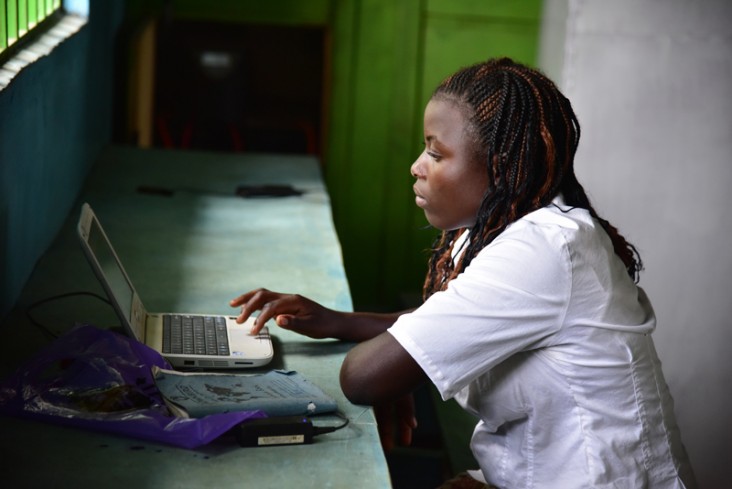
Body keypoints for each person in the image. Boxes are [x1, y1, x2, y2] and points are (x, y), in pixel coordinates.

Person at [230, 58, 696, 489]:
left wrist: (400, 366)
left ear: (499, 166)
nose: (416, 167)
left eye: (436, 153)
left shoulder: (544, 249)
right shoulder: (502, 225)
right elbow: (443, 320)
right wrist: (343, 322)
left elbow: (363, 378)